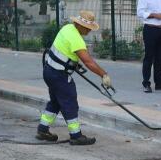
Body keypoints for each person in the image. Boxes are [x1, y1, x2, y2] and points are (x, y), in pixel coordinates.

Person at [37, 10, 112, 145]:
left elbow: (65, 51)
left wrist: (73, 64)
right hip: (59, 75)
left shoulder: (67, 28)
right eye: (88, 28)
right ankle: (76, 136)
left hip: (49, 71)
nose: (89, 31)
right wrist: (103, 74)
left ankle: (42, 130)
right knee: (70, 102)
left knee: (56, 101)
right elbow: (88, 61)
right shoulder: (77, 39)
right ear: (80, 25)